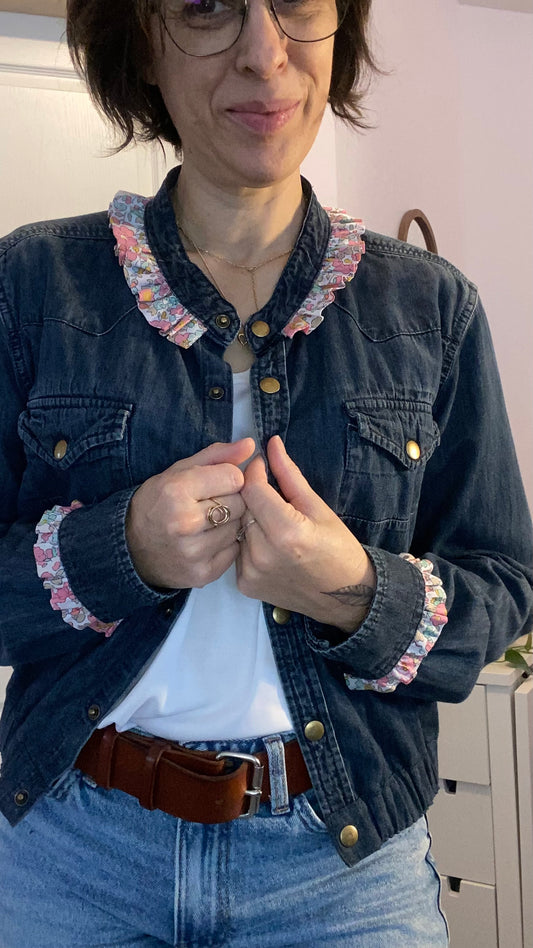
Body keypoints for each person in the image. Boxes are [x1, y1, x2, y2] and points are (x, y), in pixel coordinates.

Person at [0, 0, 531, 944]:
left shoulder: (430, 307)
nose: (263, 52)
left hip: (342, 873)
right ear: (140, 44)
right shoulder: (31, 286)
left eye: (296, 3)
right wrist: (117, 552)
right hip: (73, 859)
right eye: (206, 6)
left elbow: (502, 587)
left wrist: (354, 590)